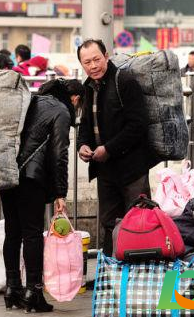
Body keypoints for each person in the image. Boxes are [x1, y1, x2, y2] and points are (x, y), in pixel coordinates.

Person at [0, 78, 84, 313]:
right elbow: (59, 155)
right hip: (31, 178)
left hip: (7, 174)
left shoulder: (31, 101)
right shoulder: (61, 111)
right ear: (75, 99)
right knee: (32, 234)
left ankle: (12, 288)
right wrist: (60, 193)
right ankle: (33, 292)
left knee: (12, 232)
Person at [76, 39, 151, 256]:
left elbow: (138, 125)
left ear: (106, 56)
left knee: (139, 221)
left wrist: (108, 149)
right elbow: (86, 125)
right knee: (109, 224)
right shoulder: (87, 87)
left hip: (132, 168)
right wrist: (83, 145)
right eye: (87, 62)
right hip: (105, 170)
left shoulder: (125, 81)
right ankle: (111, 272)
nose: (93, 66)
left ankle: (139, 274)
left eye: (97, 59)